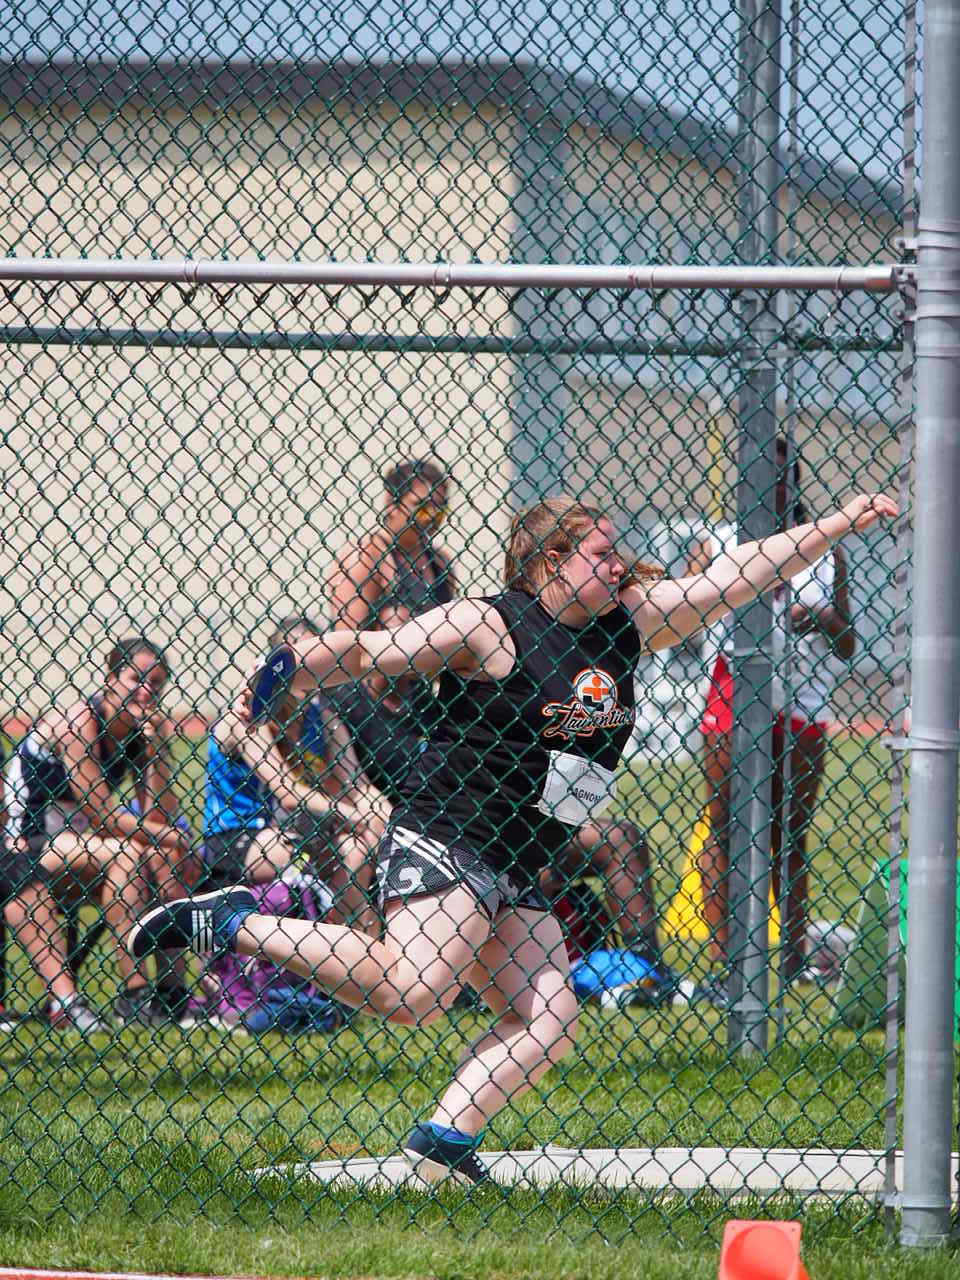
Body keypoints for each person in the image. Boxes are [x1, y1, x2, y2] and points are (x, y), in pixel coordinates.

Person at [130, 489, 895, 1185]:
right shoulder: (489, 623)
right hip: (452, 832)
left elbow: (732, 579)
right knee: (414, 992)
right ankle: (234, 922)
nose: (619, 561)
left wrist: (834, 526)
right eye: (601, 552)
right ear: (550, 562)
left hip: (521, 855)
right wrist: (293, 667)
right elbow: (368, 652)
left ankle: (443, 1144)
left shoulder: (628, 623)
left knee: (550, 1020)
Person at [688, 440, 857, 1005]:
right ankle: (726, 960)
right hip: (734, 689)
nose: (764, 485)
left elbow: (847, 642)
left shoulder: (823, 548)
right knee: (725, 823)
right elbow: (690, 625)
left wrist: (822, 618)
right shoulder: (719, 541)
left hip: (803, 697)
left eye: (776, 475)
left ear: (791, 482)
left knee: (790, 832)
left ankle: (789, 959)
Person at [3, 637, 196, 1031]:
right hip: (28, 841)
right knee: (129, 853)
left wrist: (158, 748)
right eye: (136, 678)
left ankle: (173, 995)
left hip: (80, 845)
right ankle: (136, 992)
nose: (147, 690)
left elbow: (158, 813)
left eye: (156, 684)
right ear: (110, 679)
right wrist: (171, 835)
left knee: (159, 856)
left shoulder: (139, 732)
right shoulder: (80, 723)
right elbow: (103, 813)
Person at [199, 617, 387, 929]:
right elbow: (287, 792)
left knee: (356, 848)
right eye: (300, 656)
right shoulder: (248, 714)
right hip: (240, 834)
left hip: (298, 831)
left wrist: (393, 821)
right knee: (306, 850)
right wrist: (359, 817)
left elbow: (359, 786)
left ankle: (351, 952)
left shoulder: (322, 715)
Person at [325, 458, 454, 805]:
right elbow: (345, 643)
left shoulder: (439, 564)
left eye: (440, 509)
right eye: (422, 507)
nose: (432, 518)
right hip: (365, 700)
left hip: (415, 693)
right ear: (392, 504)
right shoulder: (367, 559)